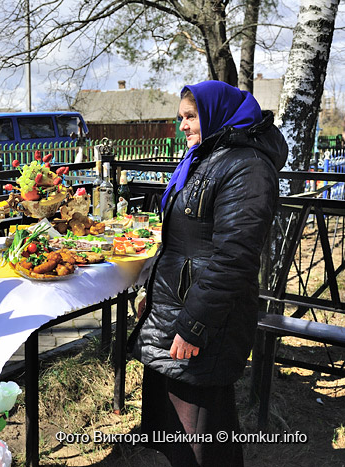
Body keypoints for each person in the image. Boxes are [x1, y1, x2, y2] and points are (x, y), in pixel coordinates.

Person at [129, 80, 288, 466]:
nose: (182, 125)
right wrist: (152, 290)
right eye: (180, 117)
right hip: (181, 307)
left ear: (217, 114)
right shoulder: (210, 157)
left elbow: (234, 258)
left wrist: (194, 324)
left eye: (190, 116)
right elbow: (185, 242)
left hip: (206, 318)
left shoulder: (246, 168)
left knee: (201, 431)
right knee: (184, 427)